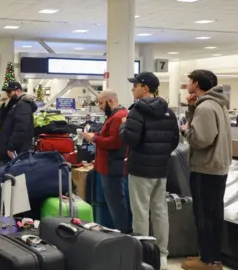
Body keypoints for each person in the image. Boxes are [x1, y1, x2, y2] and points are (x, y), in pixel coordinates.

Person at [120, 71, 179, 270]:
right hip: (161, 169)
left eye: (135, 85)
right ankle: (162, 255)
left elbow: (131, 139)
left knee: (140, 213)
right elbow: (174, 141)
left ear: (145, 88)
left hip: (140, 170)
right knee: (160, 211)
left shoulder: (137, 111)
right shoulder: (168, 111)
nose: (132, 89)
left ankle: (143, 255)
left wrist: (123, 127)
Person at [180, 70, 231, 270]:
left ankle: (208, 261)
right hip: (217, 167)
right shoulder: (215, 103)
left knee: (204, 215)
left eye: (190, 81)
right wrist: (191, 108)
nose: (188, 85)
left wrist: (185, 132)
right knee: (213, 213)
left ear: (196, 83)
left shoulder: (207, 107)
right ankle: (211, 257)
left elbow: (202, 139)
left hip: (206, 168)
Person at [82, 90, 130, 233]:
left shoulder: (118, 116)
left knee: (117, 204)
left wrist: (94, 138)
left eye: (101, 103)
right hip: (108, 166)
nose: (100, 106)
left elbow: (114, 142)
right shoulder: (114, 116)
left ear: (110, 101)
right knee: (114, 203)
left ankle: (124, 234)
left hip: (112, 167)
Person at [0, 82, 37, 164]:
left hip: (16, 150)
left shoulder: (23, 105)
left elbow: (21, 128)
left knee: (17, 175)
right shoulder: (12, 105)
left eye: (9, 92)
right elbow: (3, 123)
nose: (7, 94)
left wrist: (11, 147)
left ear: (18, 91)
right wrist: (3, 107)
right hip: (8, 149)